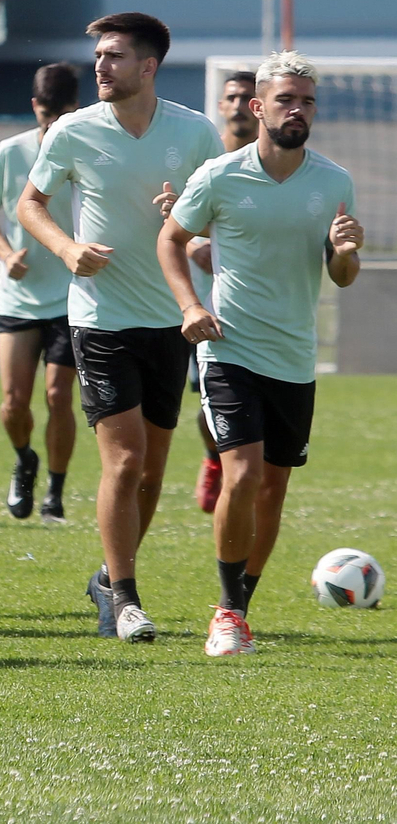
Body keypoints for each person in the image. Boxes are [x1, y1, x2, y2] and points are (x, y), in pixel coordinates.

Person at [18, 12, 222, 643]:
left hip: (173, 320)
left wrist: (186, 220)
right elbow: (31, 204)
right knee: (126, 460)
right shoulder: (74, 131)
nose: (100, 66)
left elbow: (222, 218)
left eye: (113, 56)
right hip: (100, 318)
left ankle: (109, 576)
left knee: (154, 472)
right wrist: (65, 249)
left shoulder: (195, 134)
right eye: (98, 56)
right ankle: (128, 600)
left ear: (148, 67)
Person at [158, 51, 360, 656]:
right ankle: (225, 613)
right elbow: (171, 240)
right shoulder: (221, 176)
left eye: (306, 101)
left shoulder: (334, 181)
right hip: (229, 348)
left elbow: (342, 275)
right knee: (241, 475)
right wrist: (191, 307)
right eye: (285, 100)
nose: (297, 110)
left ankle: (242, 604)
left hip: (295, 356)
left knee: (273, 490)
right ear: (258, 107)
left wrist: (347, 252)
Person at [0, 63, 80, 524]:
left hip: (72, 297)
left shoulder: (87, 150)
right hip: (18, 297)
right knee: (15, 402)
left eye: (61, 114)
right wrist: (4, 253)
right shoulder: (11, 151)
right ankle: (25, 460)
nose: (52, 123)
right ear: (35, 107)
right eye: (45, 114)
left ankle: (55, 490)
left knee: (59, 395)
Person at [190, 70, 259, 513]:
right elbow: (173, 217)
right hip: (190, 303)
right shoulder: (203, 158)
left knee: (225, 406)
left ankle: (226, 467)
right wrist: (196, 243)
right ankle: (216, 459)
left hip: (247, 309)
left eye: (245, 98)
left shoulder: (272, 166)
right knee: (203, 405)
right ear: (221, 105)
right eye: (230, 97)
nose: (237, 105)